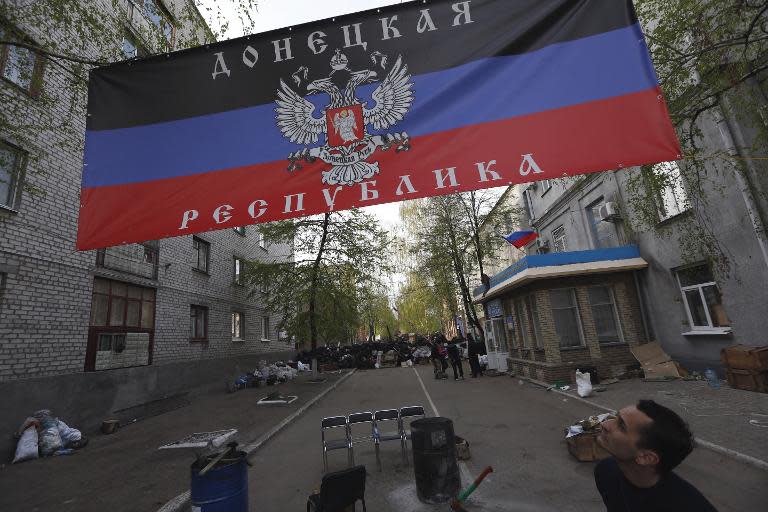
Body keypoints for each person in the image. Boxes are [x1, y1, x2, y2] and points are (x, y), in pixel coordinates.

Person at [595, 400, 718, 511]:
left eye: (621, 426)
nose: (605, 424)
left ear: (646, 458)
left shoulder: (689, 506)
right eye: (616, 418)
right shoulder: (606, 472)